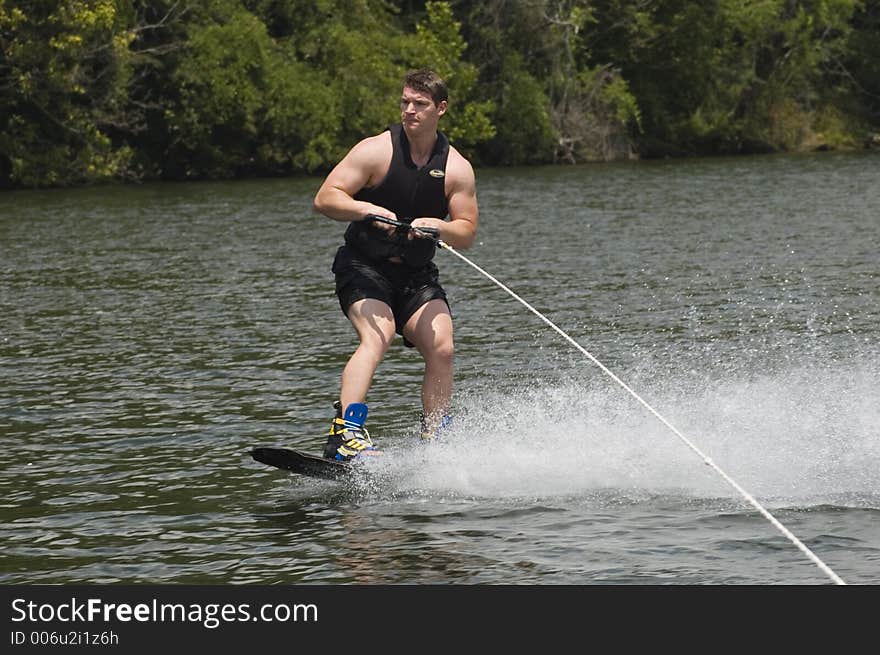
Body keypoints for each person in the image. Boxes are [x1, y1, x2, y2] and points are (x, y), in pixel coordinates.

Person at [313, 69, 479, 461]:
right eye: (405, 102)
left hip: (415, 275)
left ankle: (435, 438)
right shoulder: (375, 151)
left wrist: (439, 226)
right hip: (363, 267)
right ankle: (345, 433)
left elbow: (466, 232)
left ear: (441, 109)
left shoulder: (456, 169)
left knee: (443, 346)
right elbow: (325, 198)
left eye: (419, 104)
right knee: (379, 334)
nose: (409, 110)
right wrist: (365, 207)